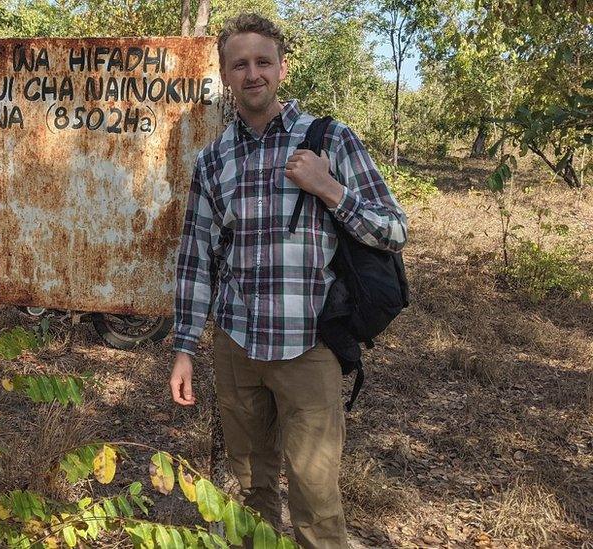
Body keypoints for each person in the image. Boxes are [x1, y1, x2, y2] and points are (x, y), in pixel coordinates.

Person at [169, 13, 408, 549]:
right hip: (236, 347)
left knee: (315, 502)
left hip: (308, 347)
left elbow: (393, 231)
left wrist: (330, 189)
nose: (252, 73)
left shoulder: (329, 139)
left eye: (262, 61)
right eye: (240, 64)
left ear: (282, 68)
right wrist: (185, 347)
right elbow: (195, 258)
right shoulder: (213, 160)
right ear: (225, 76)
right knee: (251, 491)